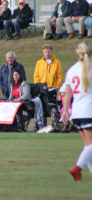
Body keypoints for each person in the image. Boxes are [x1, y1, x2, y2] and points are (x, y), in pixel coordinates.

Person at [62, 42, 92, 181]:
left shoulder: (72, 70)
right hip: (89, 111)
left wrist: (66, 112)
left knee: (89, 146)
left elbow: (67, 94)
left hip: (77, 112)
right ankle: (77, 167)